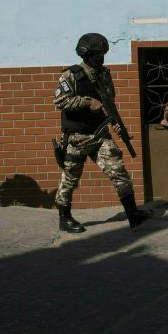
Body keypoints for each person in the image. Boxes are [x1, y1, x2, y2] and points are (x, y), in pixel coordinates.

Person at [53, 33, 151, 233]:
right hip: (76, 137)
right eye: (99, 54)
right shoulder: (70, 75)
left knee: (118, 171)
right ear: (87, 54)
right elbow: (60, 102)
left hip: (100, 135)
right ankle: (65, 218)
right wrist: (87, 102)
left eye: (103, 53)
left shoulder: (104, 74)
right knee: (70, 178)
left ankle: (133, 214)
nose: (103, 57)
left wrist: (115, 122)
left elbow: (108, 102)